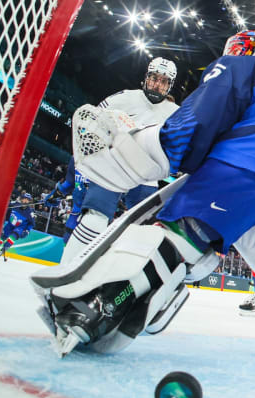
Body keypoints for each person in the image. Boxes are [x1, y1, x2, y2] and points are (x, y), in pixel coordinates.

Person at [36, 29, 255, 356]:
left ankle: (97, 307)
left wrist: (158, 151)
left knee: (183, 233)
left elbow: (202, 115)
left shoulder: (244, 65)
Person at [60, 57, 179, 264]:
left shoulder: (176, 114)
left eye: (163, 81)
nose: (156, 84)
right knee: (95, 219)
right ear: (146, 78)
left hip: (146, 178)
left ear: (170, 86)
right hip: (112, 168)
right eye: (153, 78)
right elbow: (92, 120)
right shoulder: (124, 98)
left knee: (141, 232)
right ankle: (65, 270)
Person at [49, 157, 88, 244]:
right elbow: (69, 183)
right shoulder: (76, 158)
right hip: (75, 212)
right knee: (67, 239)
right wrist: (54, 195)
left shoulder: (104, 161)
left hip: (91, 216)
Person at [0, 193, 35, 259]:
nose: (25, 201)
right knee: (3, 237)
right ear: (21, 199)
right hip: (10, 225)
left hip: (20, 227)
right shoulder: (15, 204)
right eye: (24, 199)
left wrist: (27, 231)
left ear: (29, 201)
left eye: (27, 200)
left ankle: (4, 249)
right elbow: (6, 206)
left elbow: (32, 224)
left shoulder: (30, 213)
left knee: (13, 236)